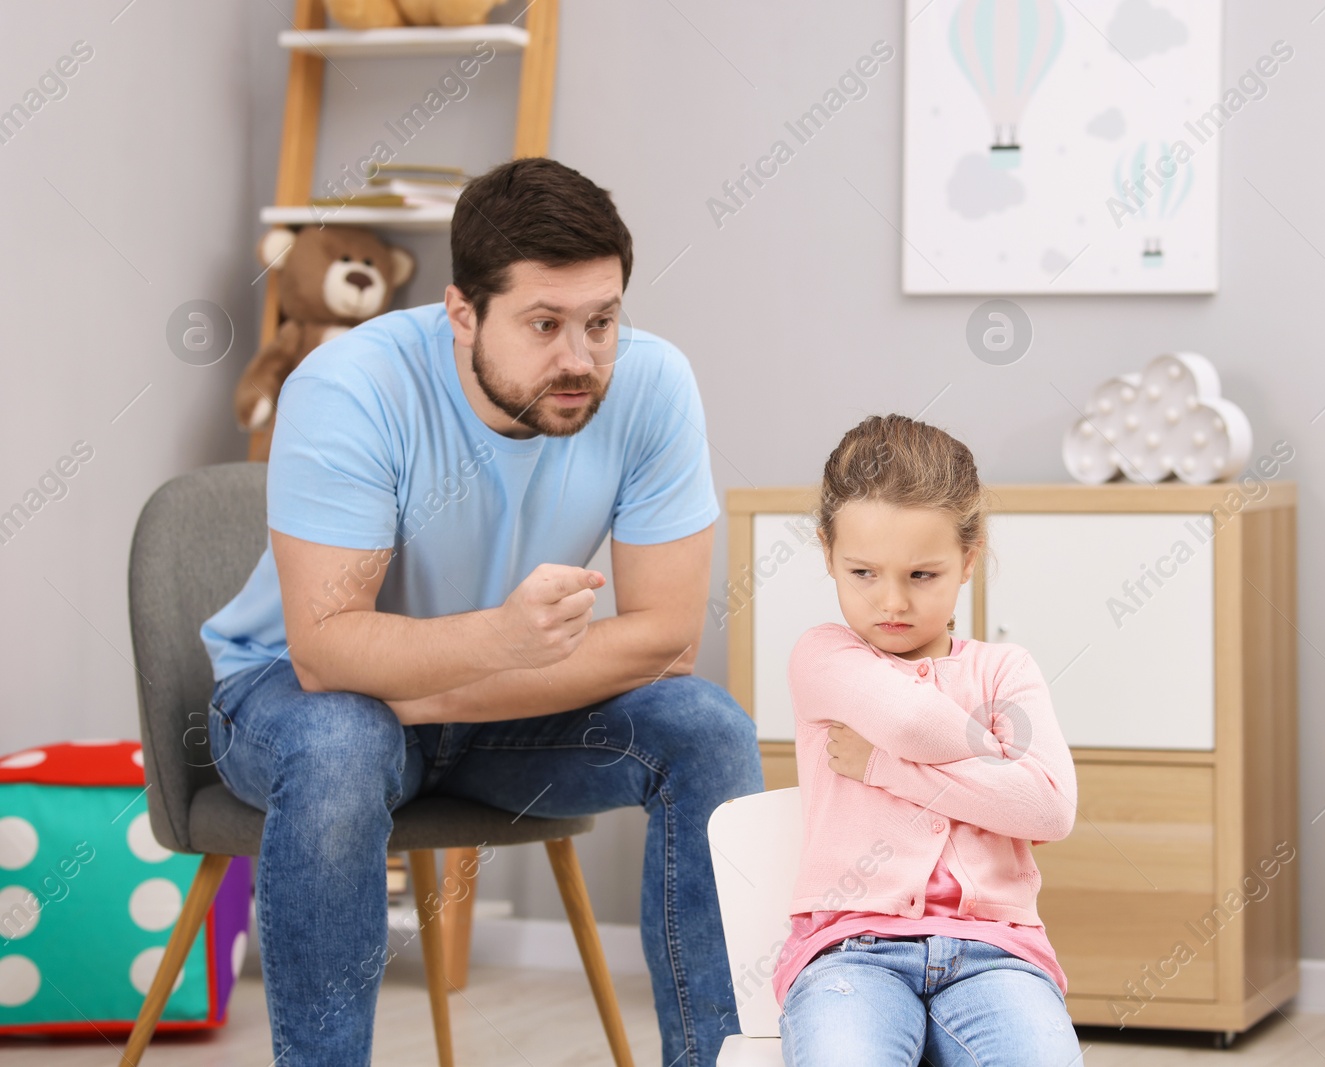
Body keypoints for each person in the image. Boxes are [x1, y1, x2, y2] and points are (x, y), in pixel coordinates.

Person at [199, 156, 763, 1067]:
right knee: (343, 741)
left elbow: (666, 640)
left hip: (479, 711)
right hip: (289, 700)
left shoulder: (654, 386)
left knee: (706, 727)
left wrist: (444, 692)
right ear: (463, 313)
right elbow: (326, 654)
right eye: (544, 324)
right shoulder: (350, 387)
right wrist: (501, 640)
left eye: (602, 320)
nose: (579, 358)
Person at [774, 414, 1085, 1066]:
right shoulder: (823, 655)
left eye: (922, 575)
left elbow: (1050, 808)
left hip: (997, 952)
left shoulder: (1006, 669)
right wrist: (1000, 762)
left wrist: (887, 765)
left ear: (968, 560)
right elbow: (915, 721)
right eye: (863, 572)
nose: (891, 601)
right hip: (852, 950)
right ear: (827, 551)